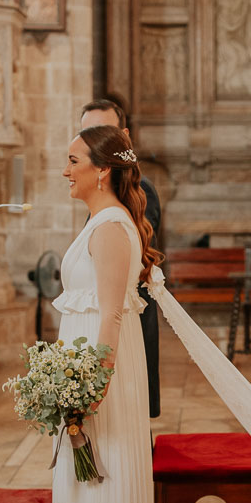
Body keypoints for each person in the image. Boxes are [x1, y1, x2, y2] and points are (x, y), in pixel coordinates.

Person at [49, 125, 161, 503]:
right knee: (84, 488)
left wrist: (92, 387)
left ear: (101, 168)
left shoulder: (113, 226)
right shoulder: (97, 221)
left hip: (100, 382)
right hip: (82, 373)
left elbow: (112, 315)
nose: (65, 170)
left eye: (72, 160)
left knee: (103, 482)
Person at [79, 99, 163, 419]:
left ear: (123, 136)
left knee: (128, 417)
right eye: (88, 134)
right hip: (99, 324)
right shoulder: (97, 194)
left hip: (128, 321)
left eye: (104, 132)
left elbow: (133, 258)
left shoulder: (141, 191)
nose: (94, 143)